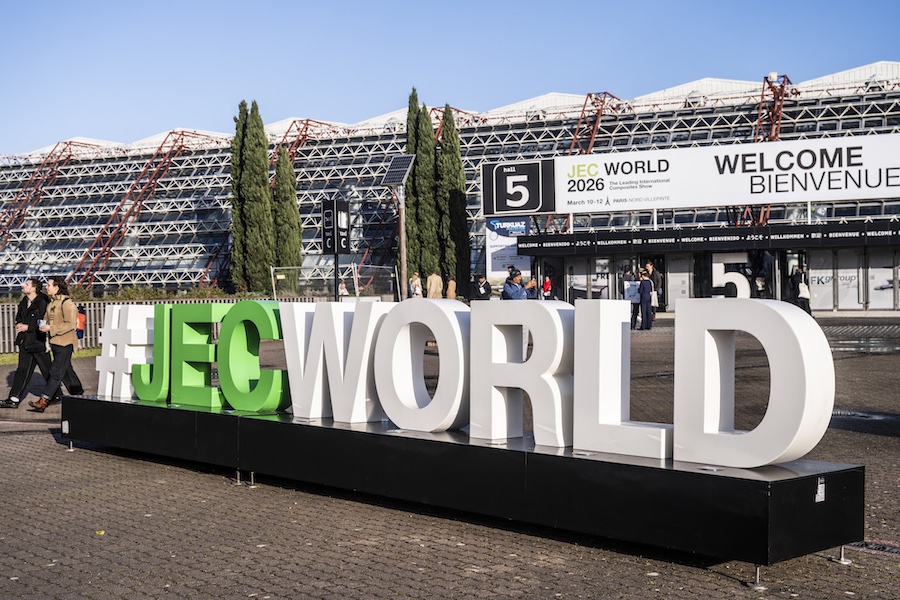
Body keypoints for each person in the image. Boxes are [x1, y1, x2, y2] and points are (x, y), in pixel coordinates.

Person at [27, 277, 83, 413]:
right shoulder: (52, 303)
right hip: (55, 343)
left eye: (49, 285)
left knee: (56, 371)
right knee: (66, 371)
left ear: (57, 287)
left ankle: (44, 400)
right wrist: (42, 324)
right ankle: (79, 395)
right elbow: (47, 319)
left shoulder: (67, 304)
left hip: (65, 343)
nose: (46, 287)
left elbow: (70, 325)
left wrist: (50, 328)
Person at [1, 278, 53, 409]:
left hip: (38, 341)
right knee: (22, 370)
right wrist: (19, 323)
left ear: (34, 288)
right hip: (25, 341)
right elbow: (19, 316)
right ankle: (14, 398)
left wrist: (28, 327)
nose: (24, 286)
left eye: (27, 284)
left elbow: (43, 321)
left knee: (47, 370)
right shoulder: (24, 301)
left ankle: (62, 394)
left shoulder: (42, 302)